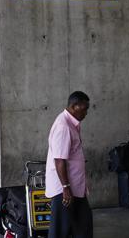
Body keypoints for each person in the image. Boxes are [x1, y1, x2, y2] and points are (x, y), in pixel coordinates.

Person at [46, 91, 92, 238]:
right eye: (84, 108)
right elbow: (59, 160)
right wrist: (66, 188)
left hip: (75, 188)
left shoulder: (71, 124)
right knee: (61, 230)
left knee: (82, 226)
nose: (86, 112)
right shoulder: (63, 126)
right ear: (74, 106)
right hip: (65, 191)